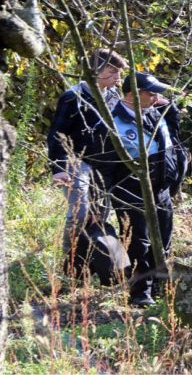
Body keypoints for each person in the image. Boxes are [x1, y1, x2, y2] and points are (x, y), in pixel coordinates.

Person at [90, 72, 177, 307]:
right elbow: (101, 169)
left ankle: (159, 286)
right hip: (131, 195)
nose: (156, 97)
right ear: (132, 94)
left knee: (164, 241)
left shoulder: (157, 115)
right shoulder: (110, 124)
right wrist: (98, 204)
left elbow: (173, 149)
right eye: (151, 92)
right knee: (140, 242)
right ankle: (140, 292)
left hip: (162, 192)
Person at [47, 48, 127, 254]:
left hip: (103, 163)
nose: (118, 77)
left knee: (101, 212)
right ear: (95, 71)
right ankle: (69, 257)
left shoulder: (114, 97)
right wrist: (58, 167)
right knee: (80, 211)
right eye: (112, 71)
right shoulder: (72, 97)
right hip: (75, 159)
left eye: (118, 72)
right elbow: (57, 132)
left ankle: (90, 259)